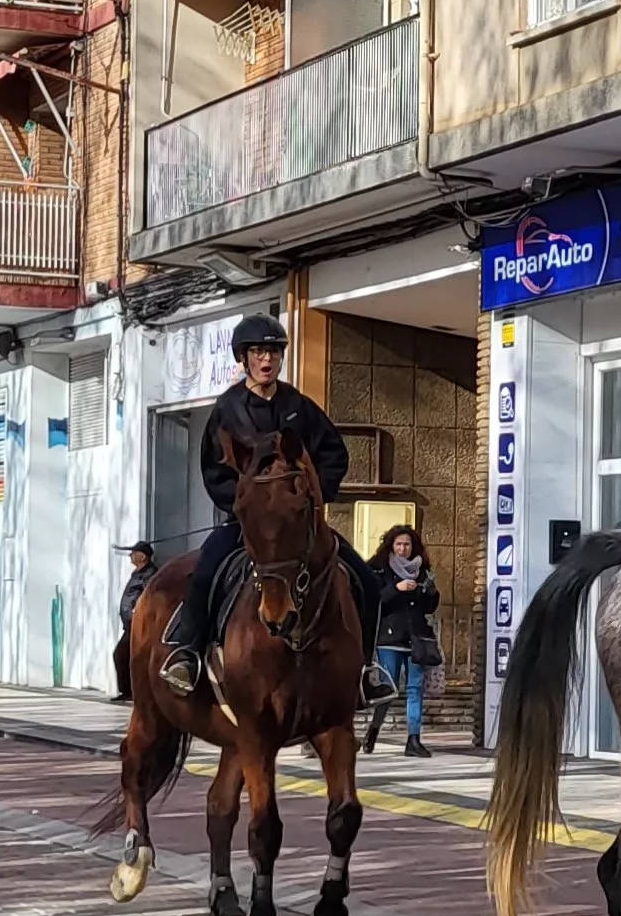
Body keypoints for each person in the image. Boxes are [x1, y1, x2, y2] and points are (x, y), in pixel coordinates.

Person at [158, 314, 392, 702]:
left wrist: (313, 499)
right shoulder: (227, 410)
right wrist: (249, 506)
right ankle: (187, 653)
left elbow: (334, 454)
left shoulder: (300, 406)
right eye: (258, 352)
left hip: (298, 525)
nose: (267, 360)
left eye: (274, 352)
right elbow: (213, 468)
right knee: (204, 573)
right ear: (244, 358)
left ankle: (367, 668)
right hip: (246, 523)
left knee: (365, 579)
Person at [363, 524, 439, 757]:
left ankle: (413, 740)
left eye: (407, 544)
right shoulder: (378, 571)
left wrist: (428, 592)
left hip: (416, 639)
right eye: (399, 544)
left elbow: (431, 605)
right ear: (391, 546)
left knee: (415, 689)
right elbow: (374, 602)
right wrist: (396, 588)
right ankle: (373, 731)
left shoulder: (422, 571)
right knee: (389, 689)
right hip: (389, 639)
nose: (403, 549)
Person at [112, 540, 157, 700]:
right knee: (122, 656)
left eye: (134, 552)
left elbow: (148, 596)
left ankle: (136, 692)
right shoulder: (137, 574)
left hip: (139, 626)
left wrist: (136, 610)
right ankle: (128, 692)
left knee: (128, 656)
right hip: (130, 625)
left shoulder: (150, 574)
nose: (130, 555)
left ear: (143, 556)